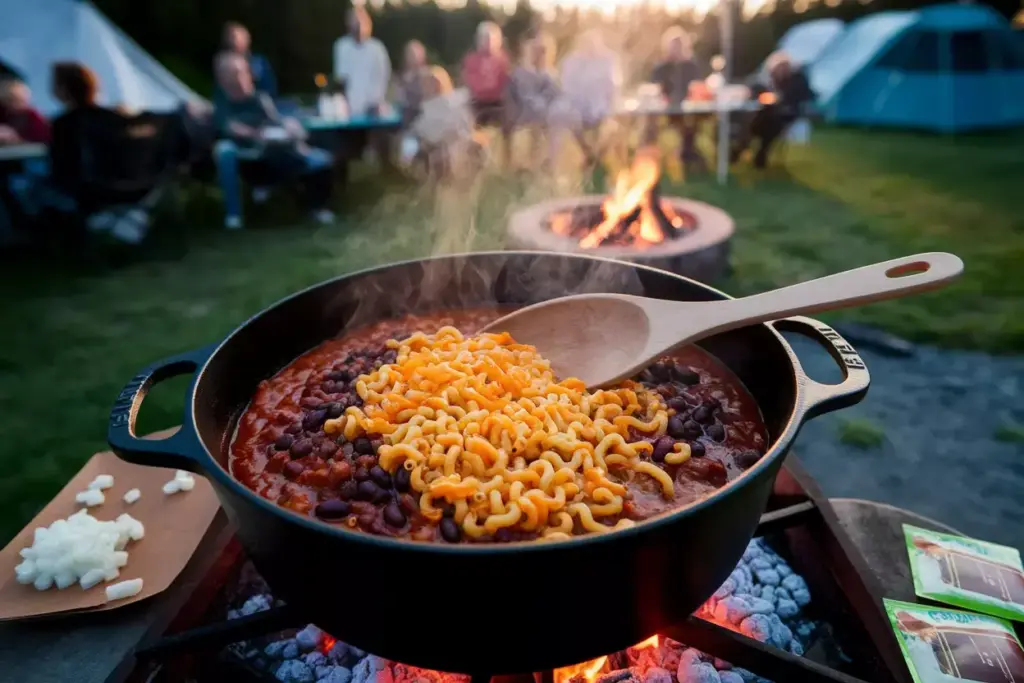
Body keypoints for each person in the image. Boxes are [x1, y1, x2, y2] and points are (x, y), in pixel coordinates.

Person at [212, 53, 334, 229]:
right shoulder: (222, 102)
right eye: (237, 73)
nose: (244, 77)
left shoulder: (259, 98)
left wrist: (290, 125)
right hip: (246, 159)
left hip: (273, 153)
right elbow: (230, 127)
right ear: (224, 79)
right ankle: (234, 215)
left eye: (244, 72)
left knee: (322, 159)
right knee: (225, 150)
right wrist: (256, 134)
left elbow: (276, 120)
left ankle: (316, 208)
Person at [734, 51, 814, 169]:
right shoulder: (772, 78)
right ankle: (747, 149)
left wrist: (781, 98)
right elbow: (757, 86)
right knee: (757, 121)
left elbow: (801, 95)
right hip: (770, 113)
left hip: (788, 114)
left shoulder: (797, 79)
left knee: (770, 123)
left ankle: (752, 151)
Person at [553, 30, 622, 166]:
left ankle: (597, 156)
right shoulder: (571, 61)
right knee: (567, 115)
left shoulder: (608, 60)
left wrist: (611, 103)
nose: (590, 48)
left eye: (593, 45)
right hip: (576, 103)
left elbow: (613, 85)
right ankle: (587, 152)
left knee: (611, 125)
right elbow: (567, 87)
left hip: (601, 103)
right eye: (586, 44)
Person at [648, 28, 705, 169]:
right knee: (650, 120)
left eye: (679, 46)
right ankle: (649, 155)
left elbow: (699, 87)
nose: (675, 50)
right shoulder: (661, 68)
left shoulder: (691, 66)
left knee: (693, 121)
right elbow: (654, 89)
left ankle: (688, 152)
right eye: (673, 46)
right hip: (666, 109)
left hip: (691, 109)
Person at [505, 34, 560, 169]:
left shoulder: (553, 75)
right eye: (537, 51)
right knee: (525, 131)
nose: (540, 55)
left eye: (543, 51)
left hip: (546, 116)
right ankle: (522, 166)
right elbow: (517, 95)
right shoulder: (521, 73)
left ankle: (545, 165)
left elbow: (555, 96)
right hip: (522, 114)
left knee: (551, 129)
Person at [333, 6, 391, 117]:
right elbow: (341, 79)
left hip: (373, 111)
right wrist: (343, 104)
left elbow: (383, 77)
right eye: (354, 21)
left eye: (361, 21)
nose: (358, 25)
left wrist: (376, 102)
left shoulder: (378, 49)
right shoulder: (341, 47)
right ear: (348, 24)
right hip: (349, 110)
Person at [461, 21, 511, 130]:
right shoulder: (471, 60)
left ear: (499, 41)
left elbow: (505, 81)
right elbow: (471, 83)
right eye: (485, 38)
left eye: (493, 39)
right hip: (478, 102)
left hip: (499, 102)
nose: (489, 42)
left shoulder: (503, 60)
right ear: (478, 40)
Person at [218, 22, 278, 97]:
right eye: (229, 37)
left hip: (258, 98)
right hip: (232, 101)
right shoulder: (223, 62)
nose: (232, 41)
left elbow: (268, 86)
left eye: (234, 37)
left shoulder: (258, 61)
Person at [0, 78, 50, 145]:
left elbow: (42, 140)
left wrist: (17, 139)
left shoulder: (34, 118)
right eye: (9, 100)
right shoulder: (3, 112)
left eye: (19, 100)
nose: (15, 104)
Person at [394, 40, 429, 126]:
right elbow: (398, 99)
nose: (411, 57)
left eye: (414, 54)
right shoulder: (402, 77)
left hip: (421, 117)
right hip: (404, 116)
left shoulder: (427, 76)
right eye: (409, 54)